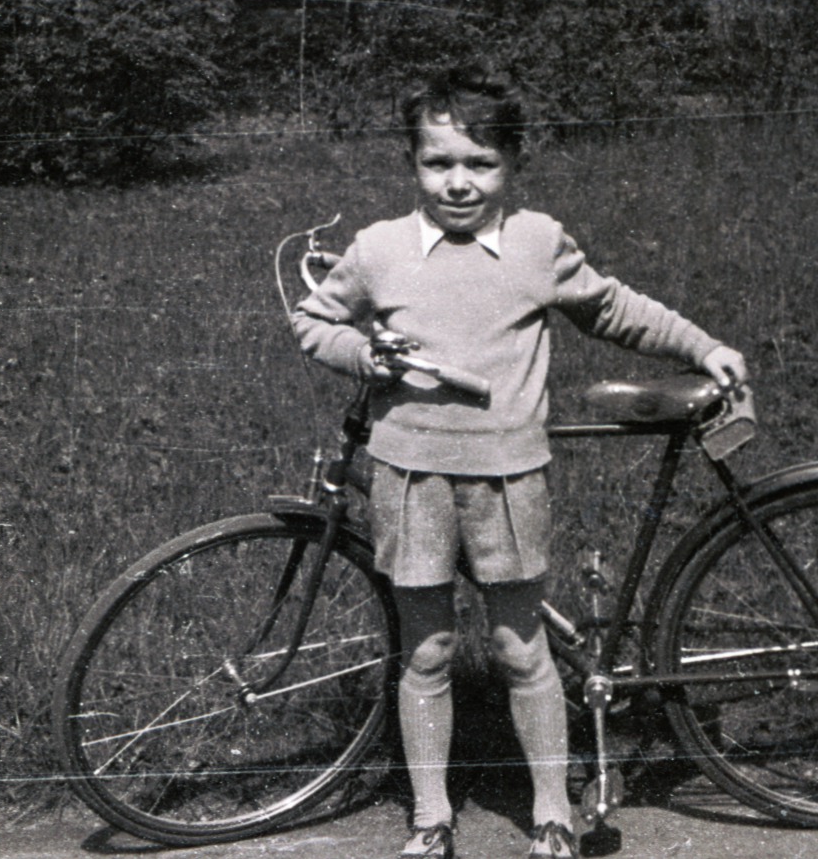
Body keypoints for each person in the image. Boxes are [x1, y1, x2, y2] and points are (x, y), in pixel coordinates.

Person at [290, 65, 746, 859]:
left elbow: (614, 308)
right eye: (438, 163)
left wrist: (703, 345)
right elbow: (314, 320)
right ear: (412, 164)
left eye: (481, 163)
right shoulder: (379, 249)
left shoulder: (537, 241)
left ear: (513, 167)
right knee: (425, 648)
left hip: (507, 478)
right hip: (410, 477)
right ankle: (430, 815)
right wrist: (368, 355)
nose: (458, 183)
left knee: (519, 647)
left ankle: (552, 809)